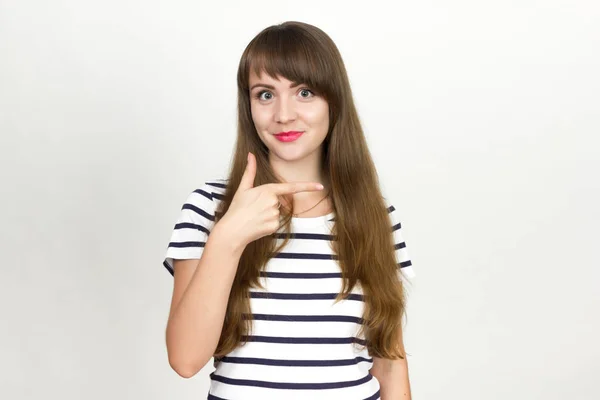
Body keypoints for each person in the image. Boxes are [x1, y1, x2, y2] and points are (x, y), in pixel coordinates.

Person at [162, 21, 416, 400]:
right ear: (248, 106)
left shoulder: (375, 215)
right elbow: (185, 359)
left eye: (305, 92)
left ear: (334, 100)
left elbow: (390, 364)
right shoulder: (210, 208)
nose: (284, 114)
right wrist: (228, 238)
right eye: (265, 94)